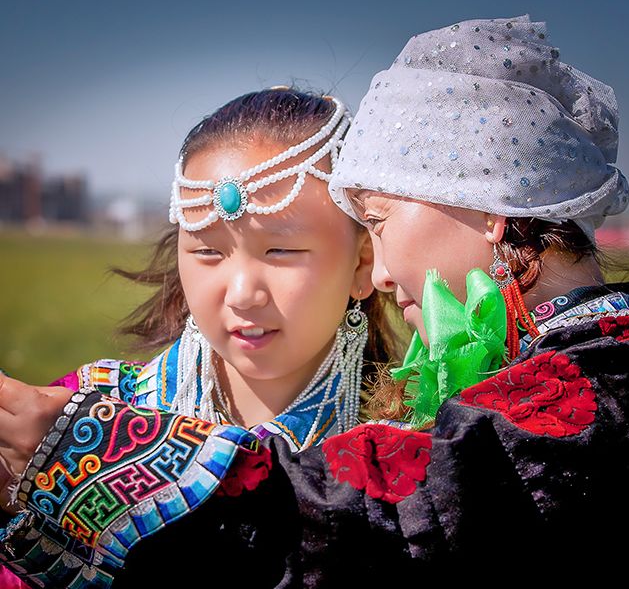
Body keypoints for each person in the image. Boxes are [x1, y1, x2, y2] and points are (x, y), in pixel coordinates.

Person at [2, 16, 629, 586]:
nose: (383, 271)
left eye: (378, 223)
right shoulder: (563, 373)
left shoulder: (606, 394)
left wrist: (91, 452)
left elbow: (369, 522)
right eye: (207, 250)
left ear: (488, 208)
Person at [0, 88, 404, 587]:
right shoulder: (70, 417)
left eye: (280, 251)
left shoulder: (410, 444)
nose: (241, 293)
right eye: (208, 252)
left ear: (362, 262)